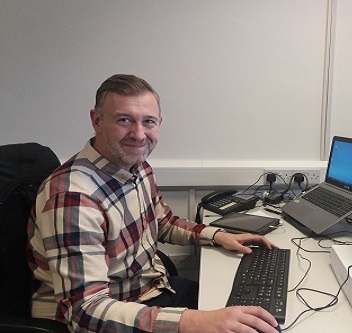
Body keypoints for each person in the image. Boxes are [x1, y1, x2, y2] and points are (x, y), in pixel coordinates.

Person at [27, 74, 281, 333]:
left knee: (258, 313)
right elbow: (85, 311)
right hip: (110, 316)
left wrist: (218, 236)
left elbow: (163, 222)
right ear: (97, 121)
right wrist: (196, 321)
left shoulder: (136, 166)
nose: (138, 134)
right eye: (124, 120)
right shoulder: (73, 198)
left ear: (159, 123)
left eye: (148, 122)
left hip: (149, 291)